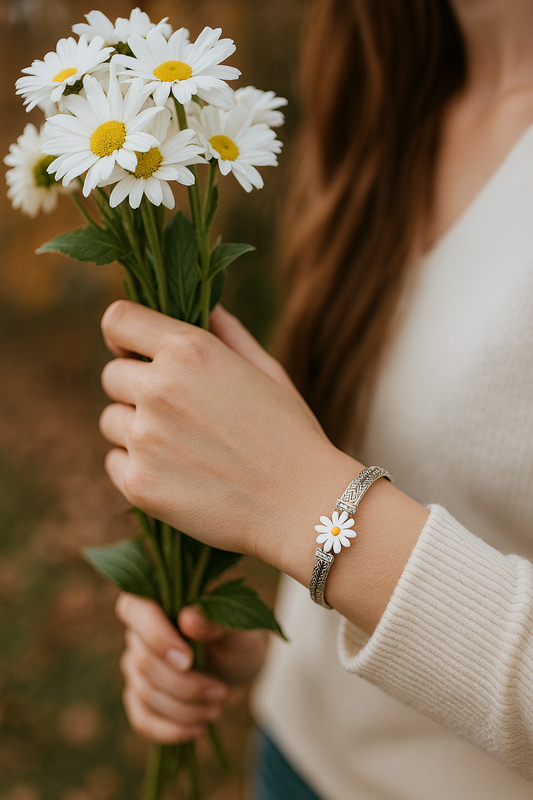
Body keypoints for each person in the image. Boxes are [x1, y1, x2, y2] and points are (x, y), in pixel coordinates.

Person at [98, 0, 533, 797]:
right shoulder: (391, 109)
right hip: (288, 750)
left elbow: (309, 498)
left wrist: (302, 503)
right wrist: (243, 641)